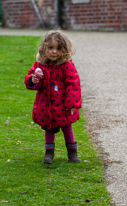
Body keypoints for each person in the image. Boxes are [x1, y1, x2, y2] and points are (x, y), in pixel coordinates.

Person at [24, 30, 82, 164]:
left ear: (65, 50)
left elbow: (73, 84)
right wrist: (34, 80)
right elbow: (30, 81)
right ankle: (49, 153)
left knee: (67, 128)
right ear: (44, 48)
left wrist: (72, 104)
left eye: (58, 48)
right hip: (46, 104)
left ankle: (72, 153)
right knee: (48, 127)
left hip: (63, 105)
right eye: (51, 48)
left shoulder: (67, 66)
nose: (54, 51)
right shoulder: (39, 65)